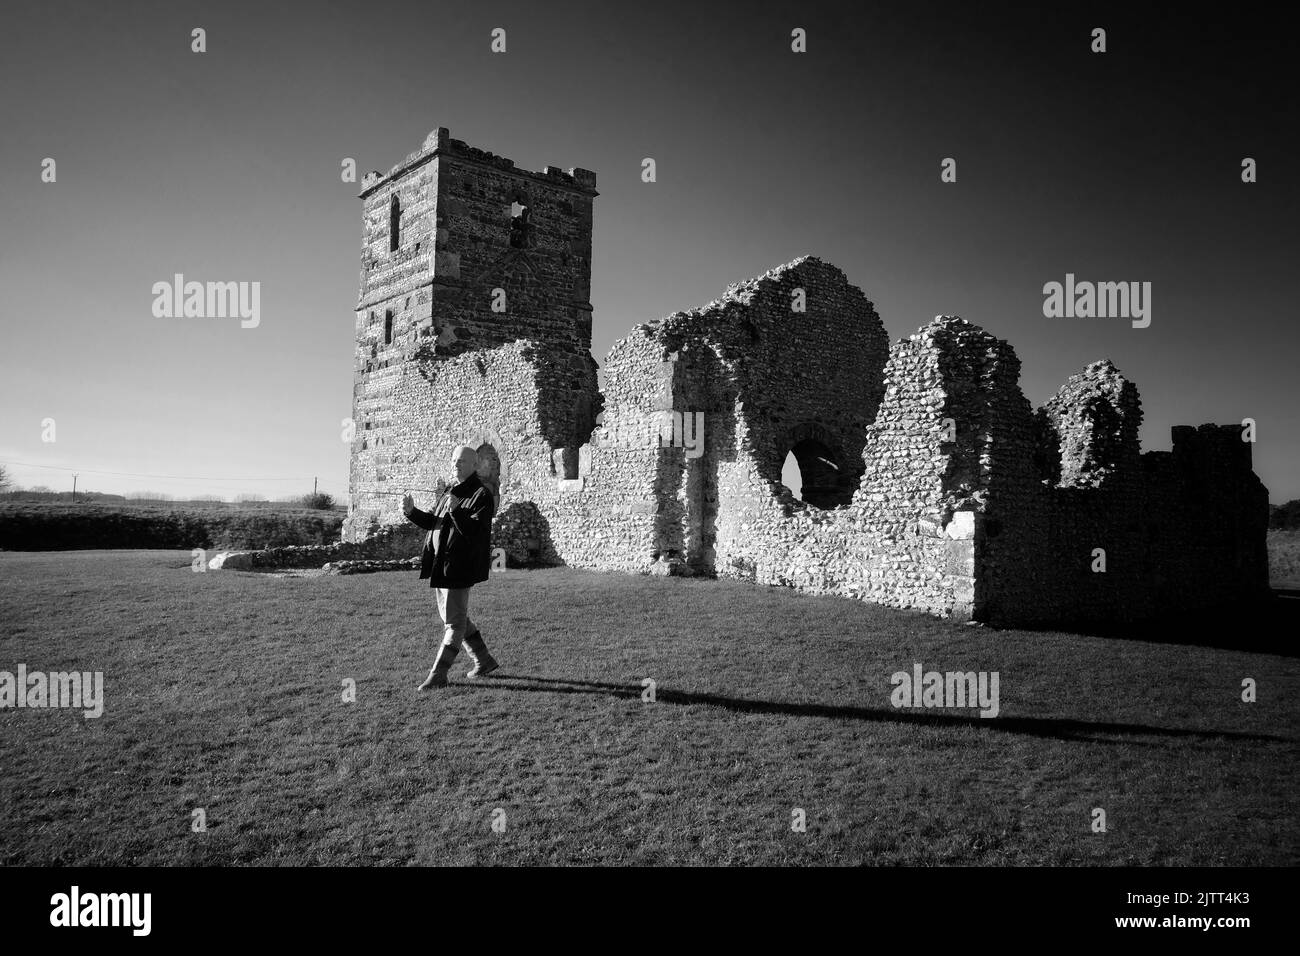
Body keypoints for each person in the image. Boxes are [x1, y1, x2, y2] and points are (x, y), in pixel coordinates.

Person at [401, 445, 499, 689]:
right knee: (456, 617)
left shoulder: (481, 494)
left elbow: (476, 532)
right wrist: (412, 512)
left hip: (460, 566)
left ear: (475, 465)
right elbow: (434, 523)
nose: (456, 464)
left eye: (463, 461)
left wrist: (456, 511)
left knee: (454, 623)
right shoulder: (449, 491)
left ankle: (438, 675)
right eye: (454, 460)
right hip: (441, 564)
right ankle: (483, 660)